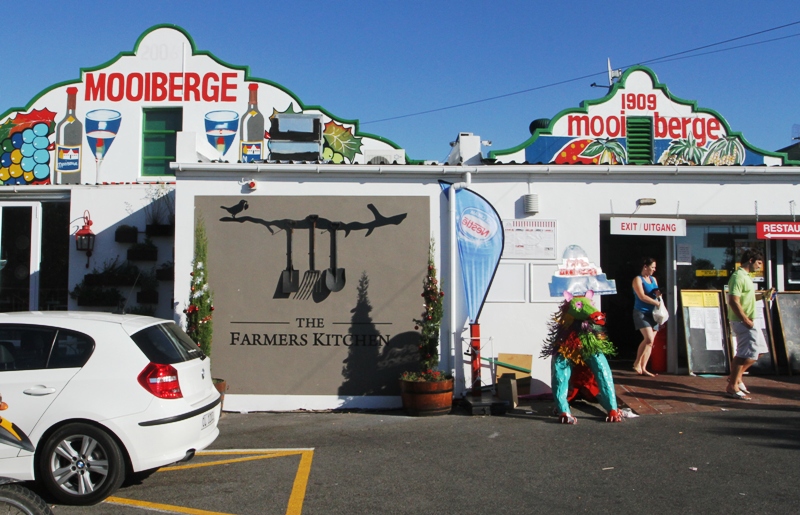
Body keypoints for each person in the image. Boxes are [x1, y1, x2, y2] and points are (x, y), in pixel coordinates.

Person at [726, 249, 768, 400]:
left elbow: (747, 298)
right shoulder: (738, 276)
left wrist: (763, 295)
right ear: (750, 260)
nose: (760, 266)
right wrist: (745, 320)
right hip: (742, 320)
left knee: (760, 350)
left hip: (750, 320)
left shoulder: (747, 277)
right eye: (759, 262)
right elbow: (733, 300)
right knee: (743, 354)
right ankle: (732, 386)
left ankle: (736, 377)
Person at [632, 257, 662, 376]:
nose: (654, 269)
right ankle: (637, 362)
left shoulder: (653, 279)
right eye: (652, 267)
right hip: (641, 312)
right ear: (645, 267)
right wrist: (656, 303)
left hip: (653, 313)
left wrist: (658, 296)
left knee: (651, 342)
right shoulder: (637, 279)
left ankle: (643, 368)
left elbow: (656, 294)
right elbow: (642, 296)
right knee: (648, 338)